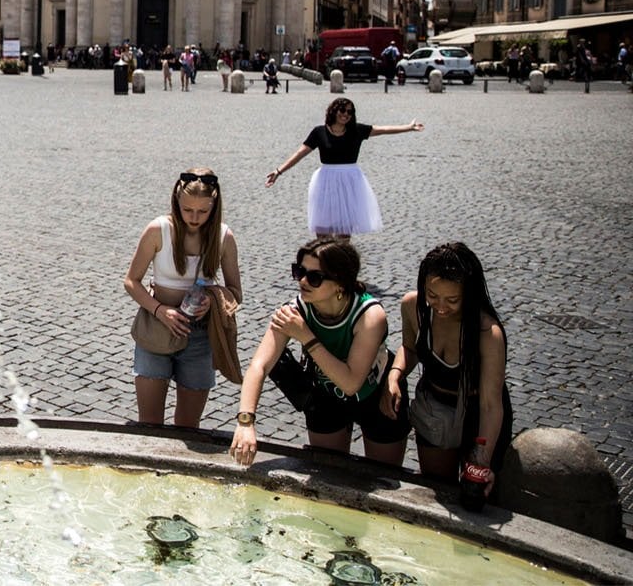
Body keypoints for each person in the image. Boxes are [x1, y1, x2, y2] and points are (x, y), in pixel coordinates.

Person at [231, 238, 410, 468]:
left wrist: (306, 336)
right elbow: (259, 366)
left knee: (383, 477)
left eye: (315, 277)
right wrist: (245, 422)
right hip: (327, 396)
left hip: (376, 395)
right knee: (328, 473)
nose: (303, 281)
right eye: (299, 271)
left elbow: (351, 383)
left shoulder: (370, 315)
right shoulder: (296, 311)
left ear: (340, 284)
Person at [381, 242, 512, 494]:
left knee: (475, 495)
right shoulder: (413, 306)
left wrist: (482, 458)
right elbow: (409, 349)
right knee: (438, 491)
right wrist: (395, 374)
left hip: (479, 415)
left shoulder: (488, 333)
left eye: (452, 300)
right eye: (432, 295)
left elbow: (491, 405)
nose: (440, 306)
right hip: (435, 411)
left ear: (469, 294)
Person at [122, 169, 242, 428]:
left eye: (203, 211)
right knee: (150, 424)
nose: (194, 218)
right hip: (156, 330)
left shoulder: (224, 237)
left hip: (199, 335)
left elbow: (235, 293)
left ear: (215, 205)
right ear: (176, 202)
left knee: (188, 427)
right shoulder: (158, 229)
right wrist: (160, 310)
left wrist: (213, 301)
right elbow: (131, 281)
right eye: (188, 210)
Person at [264, 98, 424, 237]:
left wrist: (408, 127)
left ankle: (340, 263)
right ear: (333, 111)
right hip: (325, 179)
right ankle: (323, 262)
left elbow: (382, 130)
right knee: (322, 226)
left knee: (344, 228)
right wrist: (279, 171)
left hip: (350, 179)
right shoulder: (319, 132)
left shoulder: (357, 130)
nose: (346, 114)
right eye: (342, 110)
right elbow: (300, 153)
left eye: (350, 112)